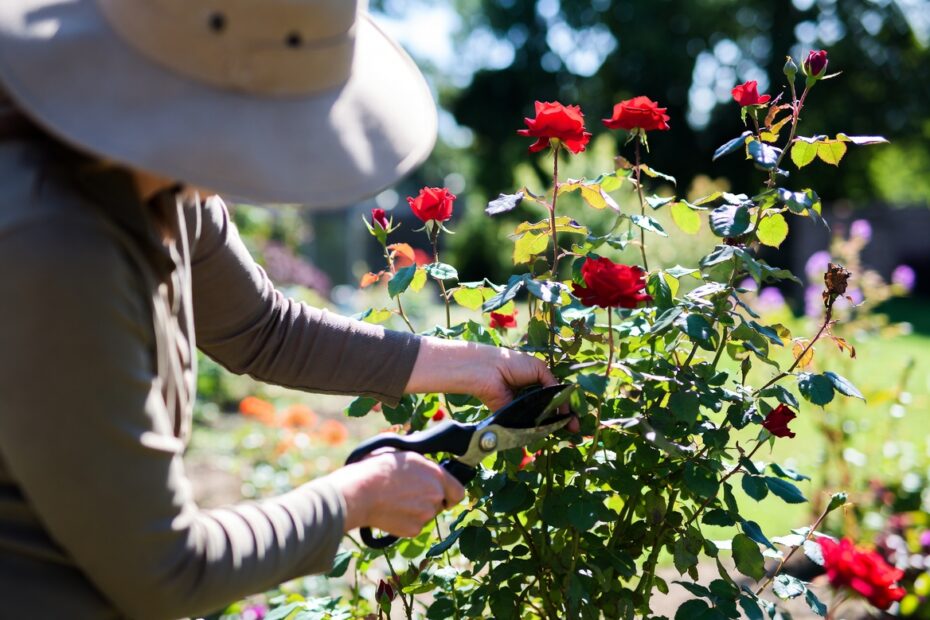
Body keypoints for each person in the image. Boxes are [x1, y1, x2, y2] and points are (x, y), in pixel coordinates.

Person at [0, 1, 572, 618]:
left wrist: (463, 365)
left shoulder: (159, 180)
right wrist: (355, 497)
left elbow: (262, 330)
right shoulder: (53, 248)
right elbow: (167, 569)